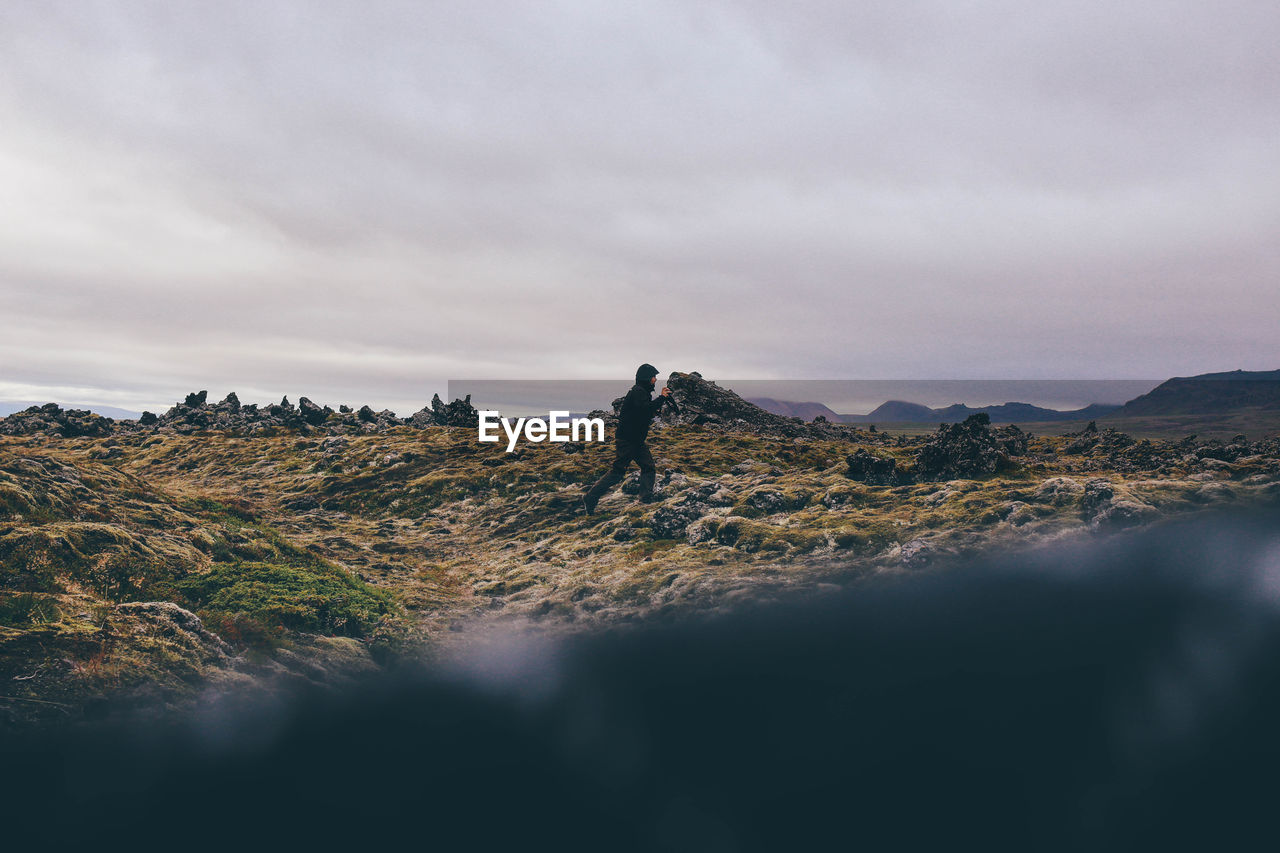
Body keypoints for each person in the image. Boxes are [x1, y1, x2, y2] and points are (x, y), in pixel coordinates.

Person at [581, 363, 674, 514]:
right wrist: (661, 398)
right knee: (617, 472)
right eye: (653, 377)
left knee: (648, 466)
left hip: (635, 440)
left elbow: (643, 412)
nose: (655, 380)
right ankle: (591, 497)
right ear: (646, 378)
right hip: (628, 440)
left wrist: (658, 403)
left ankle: (645, 499)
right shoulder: (638, 392)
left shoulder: (641, 392)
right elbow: (644, 410)